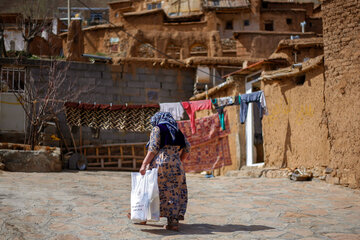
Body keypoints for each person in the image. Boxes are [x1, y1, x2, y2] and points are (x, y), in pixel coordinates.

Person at [140, 112, 190, 231]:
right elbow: (188, 147)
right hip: (176, 165)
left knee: (152, 189)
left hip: (160, 165)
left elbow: (153, 149)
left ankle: (142, 216)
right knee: (174, 192)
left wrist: (144, 164)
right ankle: (173, 222)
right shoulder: (177, 130)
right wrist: (179, 160)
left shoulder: (158, 129)